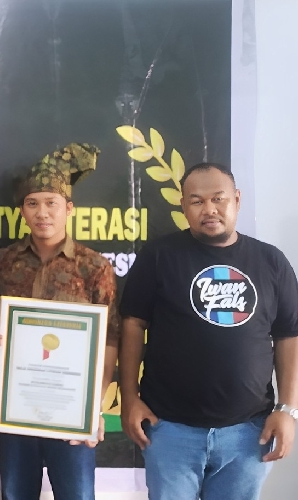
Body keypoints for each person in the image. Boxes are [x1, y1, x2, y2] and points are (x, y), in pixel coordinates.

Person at [119, 162, 298, 500]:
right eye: (197, 201)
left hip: (248, 432)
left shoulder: (271, 262)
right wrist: (129, 398)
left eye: (219, 198)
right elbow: (133, 324)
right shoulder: (158, 256)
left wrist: (288, 409)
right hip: (169, 428)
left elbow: (289, 335)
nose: (209, 209)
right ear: (183, 206)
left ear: (237, 200)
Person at [0, 143, 120, 500]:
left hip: (72, 408)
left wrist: (93, 406)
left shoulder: (94, 267)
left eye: (51, 203)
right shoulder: (2, 262)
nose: (42, 213)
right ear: (22, 210)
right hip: (15, 406)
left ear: (68, 208)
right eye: (32, 203)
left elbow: (109, 340)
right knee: (16, 494)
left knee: (77, 495)